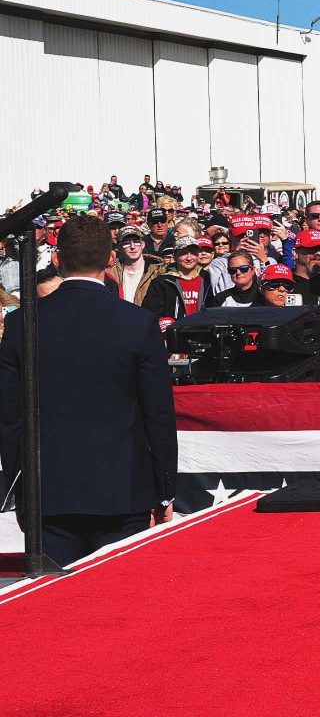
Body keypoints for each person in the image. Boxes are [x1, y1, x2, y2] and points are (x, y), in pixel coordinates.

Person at [0, 215, 177, 567]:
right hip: (123, 490)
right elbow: (158, 415)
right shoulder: (137, 323)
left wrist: (21, 492)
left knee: (55, 611)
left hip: (50, 490)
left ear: (56, 259)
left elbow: (10, 417)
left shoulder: (22, 323)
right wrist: (166, 489)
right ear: (111, 259)